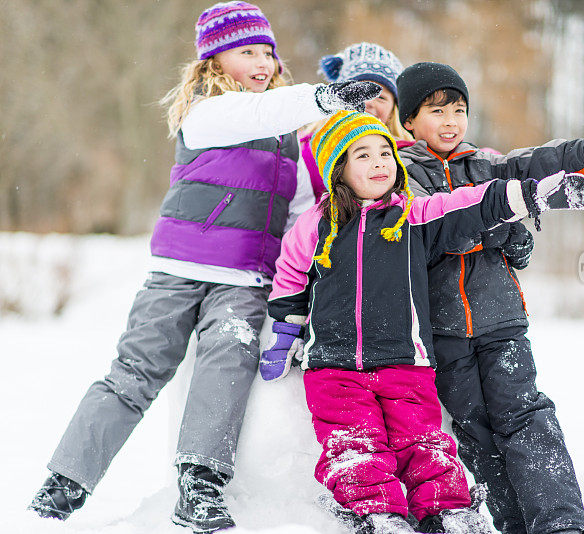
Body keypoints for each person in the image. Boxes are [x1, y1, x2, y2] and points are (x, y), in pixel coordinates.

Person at [27, 2, 379, 532]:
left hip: (245, 277)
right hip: (178, 270)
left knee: (227, 362)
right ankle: (66, 482)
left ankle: (200, 480)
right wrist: (318, 98)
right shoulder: (207, 111)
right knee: (137, 370)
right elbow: (255, 114)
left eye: (267, 52)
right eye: (247, 52)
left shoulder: (287, 137)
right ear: (214, 60)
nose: (261, 62)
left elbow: (304, 208)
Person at [260, 110, 584, 534]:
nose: (380, 162)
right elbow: (290, 279)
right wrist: (285, 333)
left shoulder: (414, 217)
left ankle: (448, 513)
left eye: (386, 152)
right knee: (354, 444)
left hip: (407, 364)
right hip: (334, 367)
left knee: (426, 445)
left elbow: (472, 204)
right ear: (338, 169)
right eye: (363, 155)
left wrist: (534, 195)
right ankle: (378, 515)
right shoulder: (315, 224)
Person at [395, 61, 584, 534]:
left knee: (529, 420)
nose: (451, 121)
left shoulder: (488, 166)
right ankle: (512, 524)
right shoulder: (399, 174)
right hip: (442, 332)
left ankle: (560, 525)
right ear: (408, 120)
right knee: (476, 433)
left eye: (459, 109)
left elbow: (554, 161)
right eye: (436, 111)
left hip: (502, 321)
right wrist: (501, 228)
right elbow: (431, 230)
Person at [300, 42, 414, 201]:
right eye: (358, 93)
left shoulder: (408, 155)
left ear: (393, 110)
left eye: (381, 97)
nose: (369, 103)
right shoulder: (305, 151)